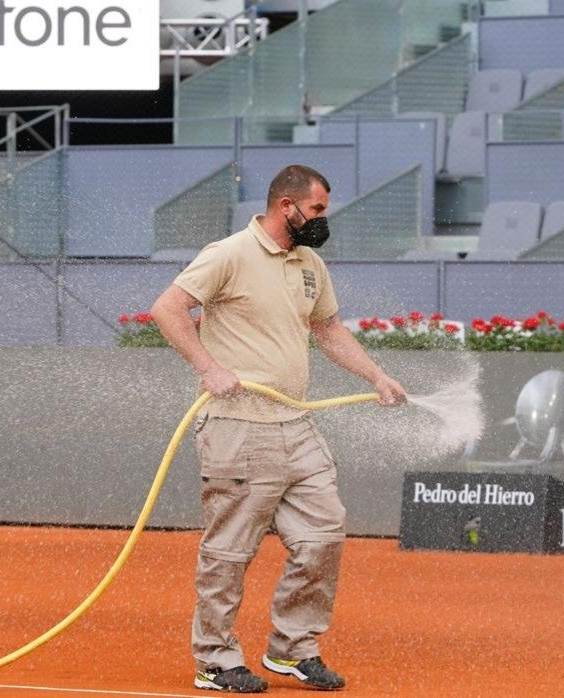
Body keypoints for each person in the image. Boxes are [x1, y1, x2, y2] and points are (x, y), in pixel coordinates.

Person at [150, 164, 407, 693]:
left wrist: (377, 375)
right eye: (316, 210)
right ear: (286, 206)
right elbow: (168, 309)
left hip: (296, 424)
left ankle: (293, 649)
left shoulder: (309, 263)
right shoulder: (228, 253)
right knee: (230, 551)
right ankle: (216, 660)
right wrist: (207, 366)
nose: (321, 221)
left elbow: (329, 330)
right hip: (238, 430)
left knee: (323, 535)